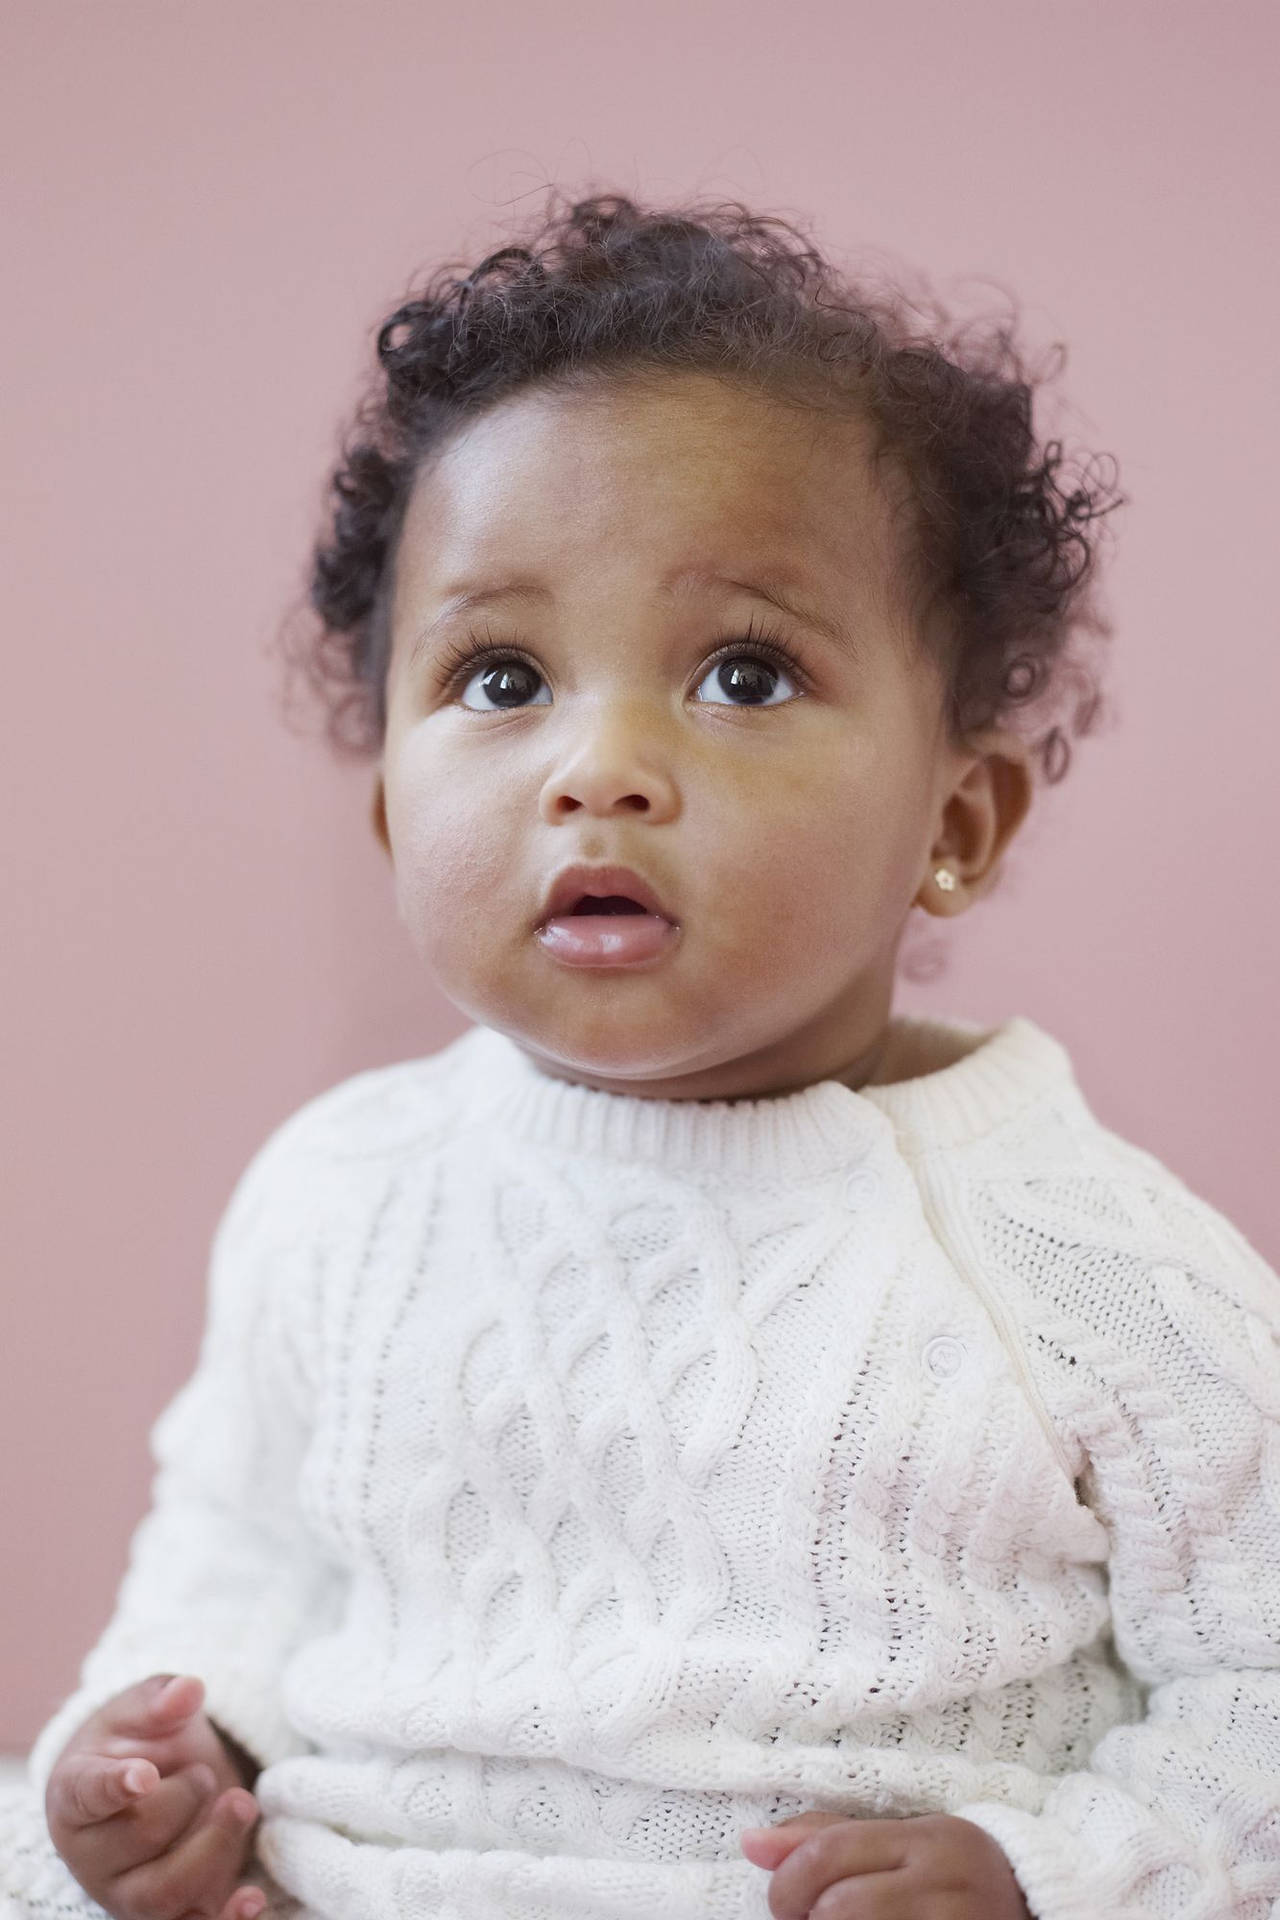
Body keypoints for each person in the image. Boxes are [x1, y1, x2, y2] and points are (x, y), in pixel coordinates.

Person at [3, 190, 1276, 1920]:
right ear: (391, 817)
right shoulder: (342, 1196)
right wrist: (152, 1760)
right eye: (503, 674)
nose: (596, 767)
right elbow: (233, 1570)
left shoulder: (1093, 1268)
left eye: (744, 675)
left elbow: (1256, 1707)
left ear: (956, 823)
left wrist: (1048, 1878)